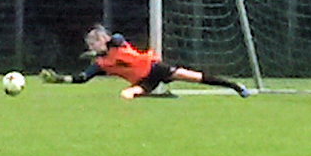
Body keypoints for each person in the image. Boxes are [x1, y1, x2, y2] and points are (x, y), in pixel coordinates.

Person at [42, 25, 251, 100]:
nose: (91, 46)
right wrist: (60, 79)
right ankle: (154, 100)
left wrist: (102, 50)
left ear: (102, 40)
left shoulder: (116, 42)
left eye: (93, 42)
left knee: (193, 77)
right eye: (90, 44)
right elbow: (82, 78)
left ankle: (236, 86)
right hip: (143, 81)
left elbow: (116, 39)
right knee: (127, 95)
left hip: (154, 68)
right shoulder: (100, 64)